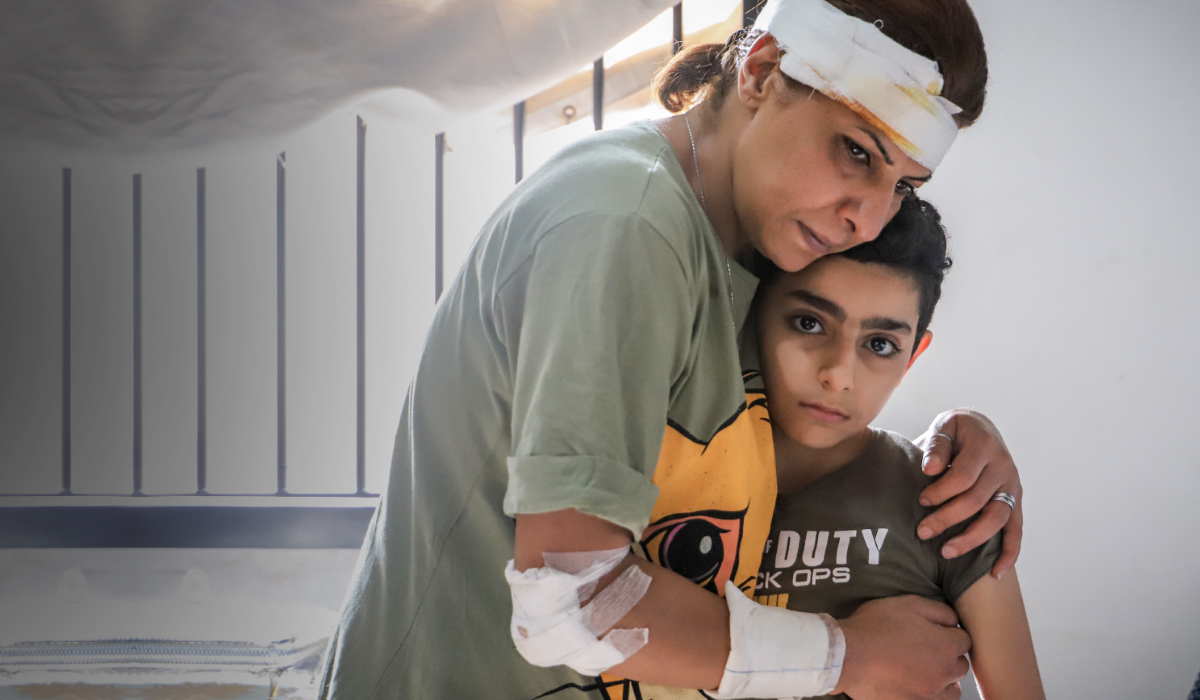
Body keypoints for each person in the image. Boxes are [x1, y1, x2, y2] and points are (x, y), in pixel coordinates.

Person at [317, 0, 1024, 698]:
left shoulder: (756, 247)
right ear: (762, 70)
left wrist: (960, 446)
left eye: (903, 185)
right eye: (857, 151)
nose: (868, 218)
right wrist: (849, 656)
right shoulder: (626, 222)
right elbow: (571, 602)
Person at [752, 195, 1045, 700]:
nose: (838, 375)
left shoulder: (950, 494)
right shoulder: (680, 478)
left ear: (913, 355)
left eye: (880, 344)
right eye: (809, 323)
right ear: (756, 314)